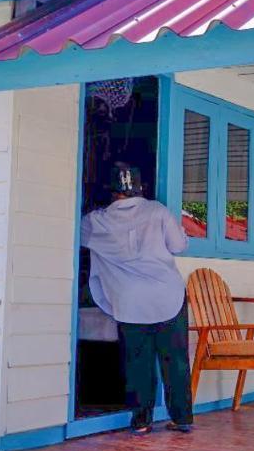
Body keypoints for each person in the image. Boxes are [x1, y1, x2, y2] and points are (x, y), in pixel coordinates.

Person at [81, 162, 192, 434]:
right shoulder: (157, 211)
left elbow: (78, 240)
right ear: (140, 186)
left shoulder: (95, 221)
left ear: (110, 190)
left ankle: (141, 421)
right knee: (174, 358)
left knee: (137, 360)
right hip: (167, 294)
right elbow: (178, 245)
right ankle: (181, 418)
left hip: (129, 299)